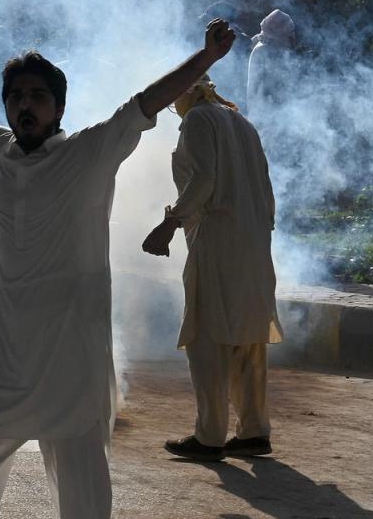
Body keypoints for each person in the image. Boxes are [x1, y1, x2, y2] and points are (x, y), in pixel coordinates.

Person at [0, 20, 236, 519]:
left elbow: (146, 102)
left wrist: (206, 59)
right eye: (17, 97)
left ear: (59, 108)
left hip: (70, 349)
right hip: (4, 347)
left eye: (37, 96)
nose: (25, 105)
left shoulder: (89, 151)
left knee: (80, 480)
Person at [142, 74, 282, 462]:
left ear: (188, 93)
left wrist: (169, 224)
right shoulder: (242, 122)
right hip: (254, 241)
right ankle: (254, 432)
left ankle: (209, 436)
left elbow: (204, 178)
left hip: (219, 238)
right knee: (248, 338)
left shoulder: (199, 120)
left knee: (207, 336)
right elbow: (267, 192)